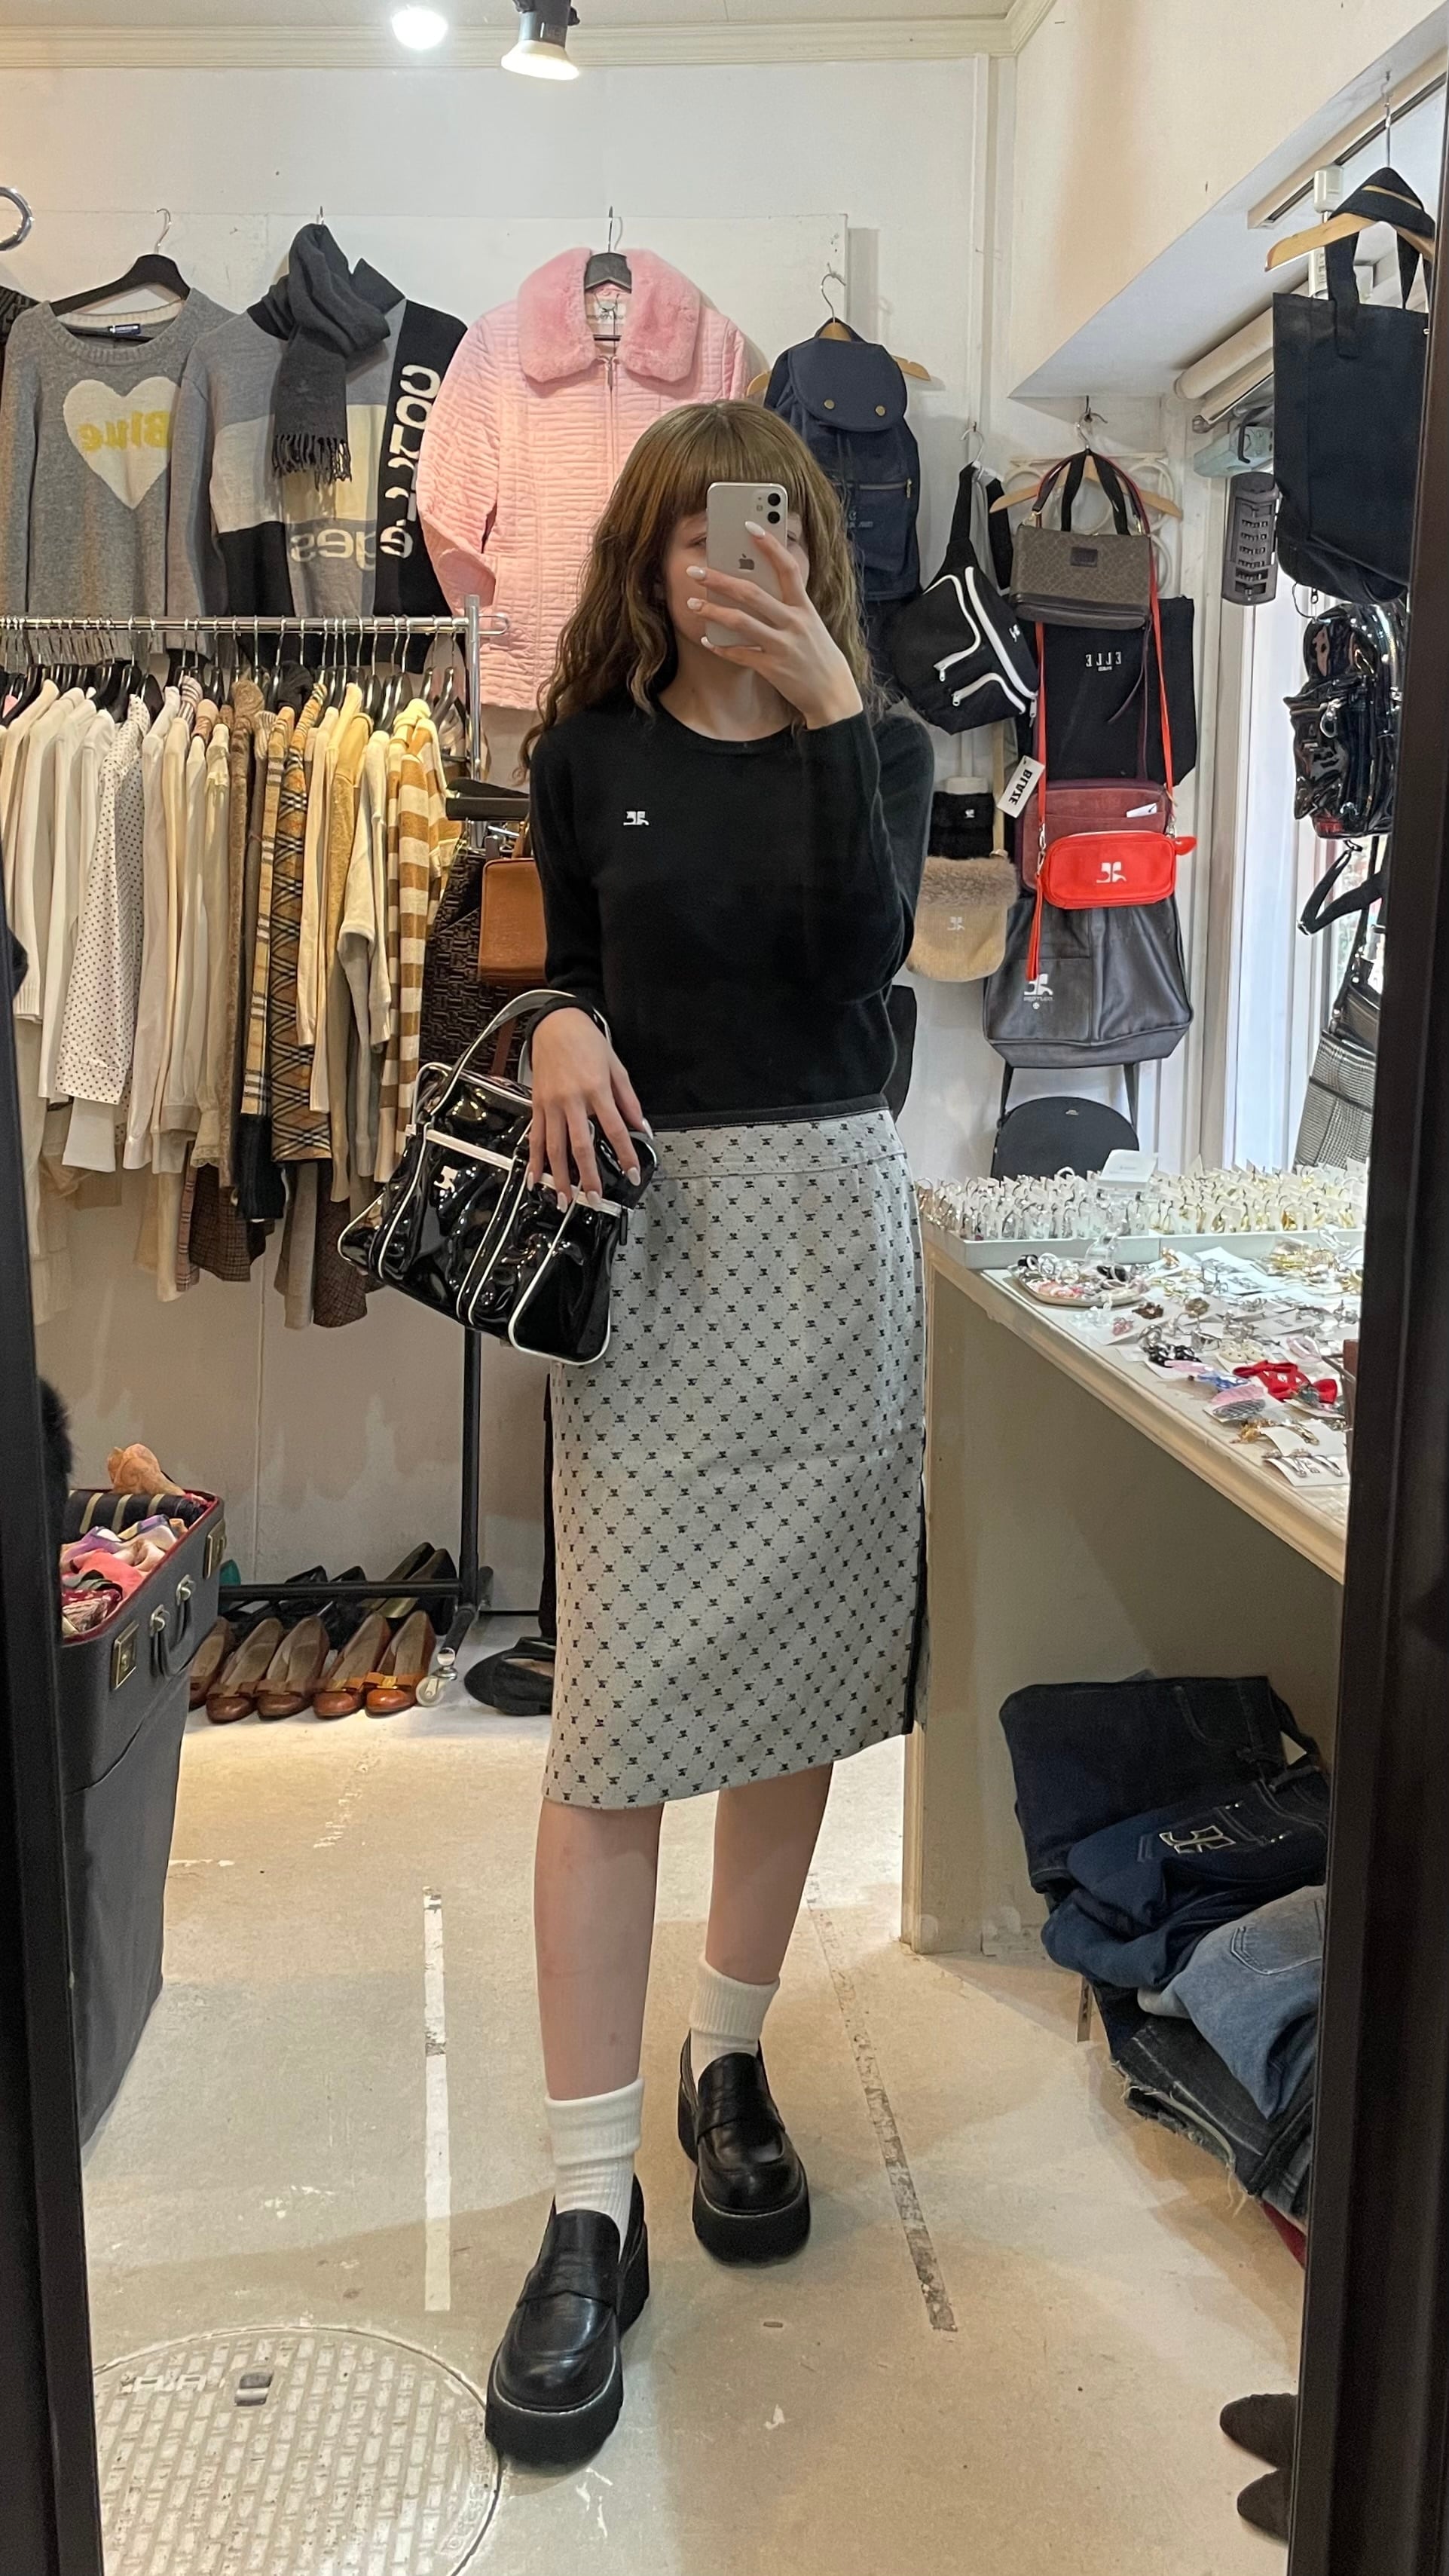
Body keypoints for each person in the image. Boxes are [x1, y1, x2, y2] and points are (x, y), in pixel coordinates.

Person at [487, 401, 934, 2468]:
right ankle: (589, 2199)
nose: (725, 564)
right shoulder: (581, 757)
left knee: (794, 1693)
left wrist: (833, 705)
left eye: (761, 532)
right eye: (689, 535)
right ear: (644, 562)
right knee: (612, 1728)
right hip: (655, 1258)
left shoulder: (882, 747)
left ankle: (727, 2057)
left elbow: (861, 966)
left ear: (810, 548)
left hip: (830, 1248)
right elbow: (557, 968)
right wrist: (559, 1018)